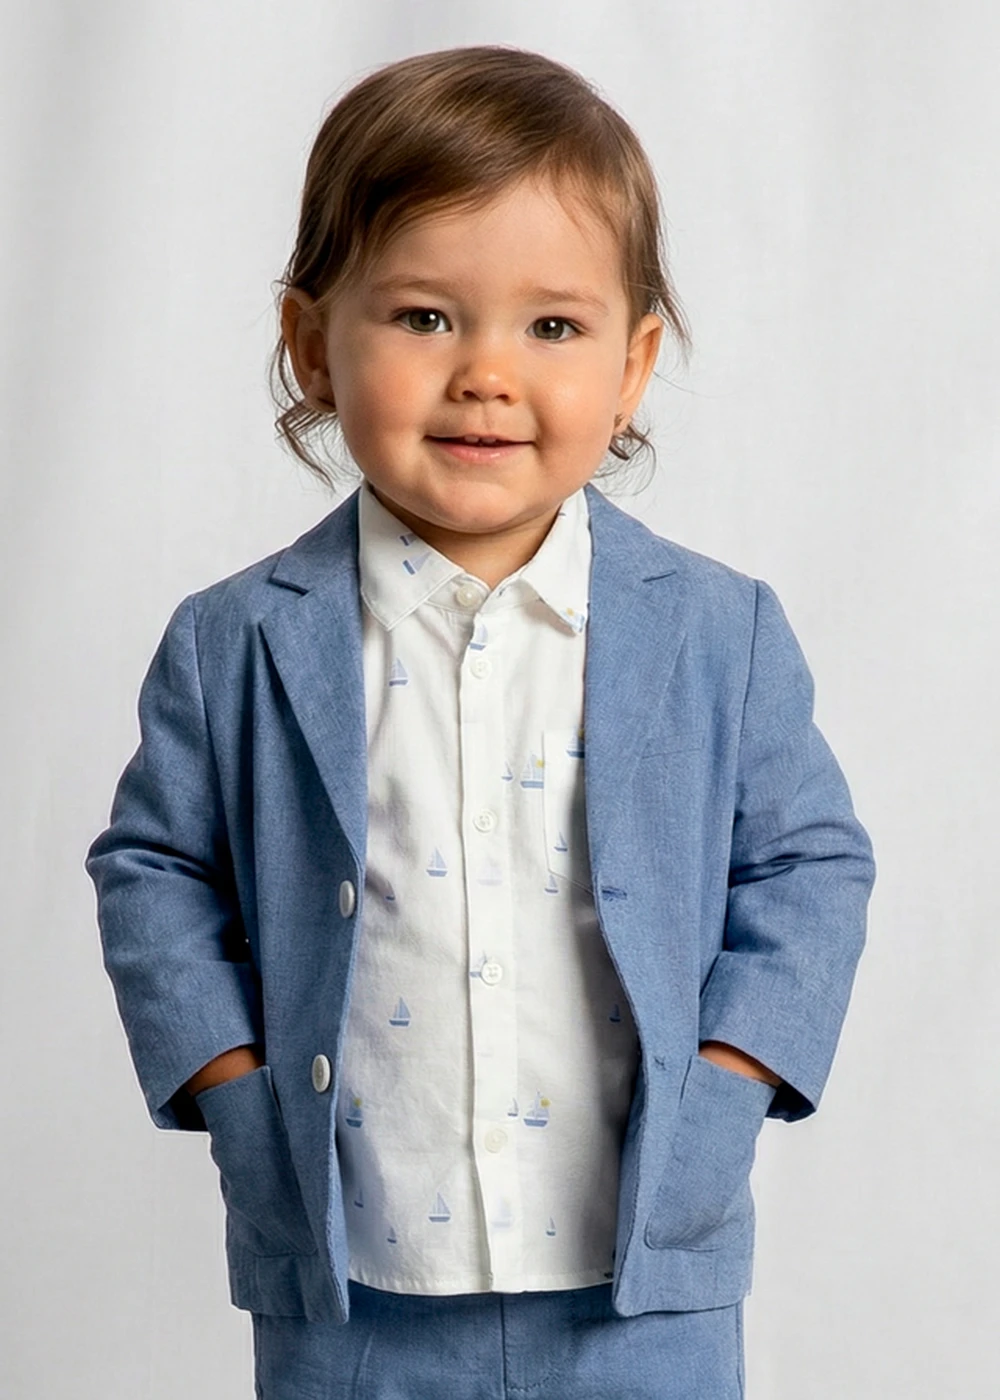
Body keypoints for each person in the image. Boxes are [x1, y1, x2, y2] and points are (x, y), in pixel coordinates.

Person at [86, 44, 876, 1399]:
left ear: (632, 368)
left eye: (552, 328)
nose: (485, 374)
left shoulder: (718, 630)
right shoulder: (236, 640)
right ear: (310, 346)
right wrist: (232, 1087)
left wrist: (729, 1079)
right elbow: (152, 868)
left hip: (639, 1286)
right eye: (424, 317)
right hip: (352, 1281)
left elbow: (810, 864)